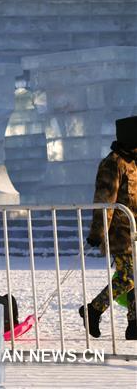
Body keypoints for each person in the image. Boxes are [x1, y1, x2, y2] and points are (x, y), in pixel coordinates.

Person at [80, 115, 137, 341]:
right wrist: (97, 233)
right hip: (119, 232)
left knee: (135, 276)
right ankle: (93, 310)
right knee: (128, 277)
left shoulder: (133, 162)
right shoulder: (113, 163)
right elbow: (105, 201)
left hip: (134, 231)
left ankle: (134, 323)